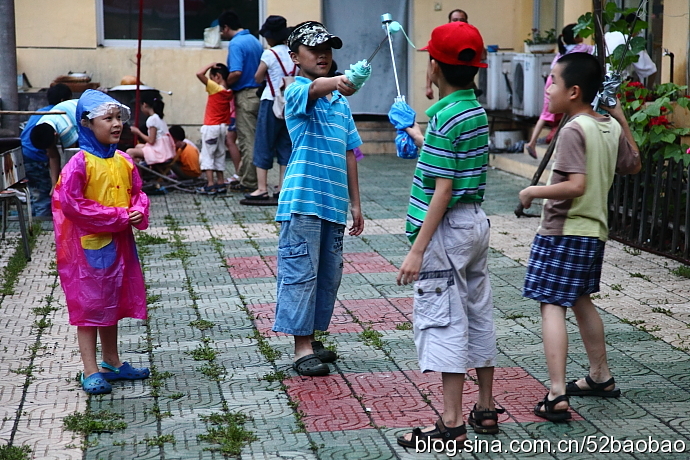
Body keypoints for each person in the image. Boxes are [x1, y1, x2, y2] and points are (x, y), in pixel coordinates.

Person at [395, 21, 503, 448]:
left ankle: (452, 423)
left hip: (446, 230)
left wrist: (417, 250)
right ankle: (486, 408)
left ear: (434, 67)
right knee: (478, 311)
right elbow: (454, 170)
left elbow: (442, 188)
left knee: (443, 321)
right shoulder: (473, 112)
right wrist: (418, 135)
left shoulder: (444, 118)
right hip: (474, 223)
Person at [518, 53, 641, 422]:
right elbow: (633, 163)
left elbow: (575, 185)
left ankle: (556, 394)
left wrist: (533, 191)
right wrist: (618, 114)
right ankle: (600, 377)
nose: (548, 88)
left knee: (551, 303)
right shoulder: (607, 127)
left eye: (553, 81)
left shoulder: (574, 129)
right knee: (580, 299)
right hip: (593, 233)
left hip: (564, 232)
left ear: (574, 91)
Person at [272, 21, 364, 377]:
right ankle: (301, 348)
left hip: (333, 204)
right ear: (295, 57)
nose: (323, 55)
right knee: (301, 273)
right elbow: (314, 88)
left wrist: (356, 204)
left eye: (328, 49)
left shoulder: (340, 104)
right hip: (303, 201)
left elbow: (349, 153)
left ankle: (310, 335)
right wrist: (338, 81)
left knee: (327, 275)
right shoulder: (295, 90)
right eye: (314, 50)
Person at [52, 89, 151, 395]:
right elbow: (72, 205)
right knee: (90, 308)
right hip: (88, 249)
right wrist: (121, 216)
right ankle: (90, 369)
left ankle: (111, 361)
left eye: (118, 117)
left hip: (119, 245)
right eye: (107, 118)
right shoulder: (79, 164)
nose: (116, 124)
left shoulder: (123, 160)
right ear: (87, 123)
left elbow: (138, 192)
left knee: (112, 302)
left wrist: (137, 209)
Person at [242, 15, 295, 206]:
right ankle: (283, 187)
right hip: (290, 104)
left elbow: (258, 77)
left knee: (263, 143)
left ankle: (262, 188)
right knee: (286, 145)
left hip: (270, 101)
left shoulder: (269, 54)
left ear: (271, 36)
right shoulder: (293, 53)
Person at [525, 24, 594, 159]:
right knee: (566, 117)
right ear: (576, 37)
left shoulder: (562, 51)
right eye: (581, 33)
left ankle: (532, 142)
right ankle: (557, 149)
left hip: (552, 82)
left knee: (545, 115)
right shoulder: (582, 49)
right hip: (563, 84)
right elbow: (596, 50)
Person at [219, 10, 263, 193]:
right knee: (255, 138)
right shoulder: (254, 40)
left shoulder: (236, 43)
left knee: (247, 140)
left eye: (221, 31)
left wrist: (224, 84)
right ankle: (246, 177)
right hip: (259, 93)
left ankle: (251, 182)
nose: (221, 34)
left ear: (226, 27)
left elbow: (236, 72)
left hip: (245, 95)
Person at [20, 83, 72, 217]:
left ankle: (32, 222)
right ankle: (41, 225)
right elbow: (53, 154)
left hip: (23, 155)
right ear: (63, 101)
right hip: (36, 158)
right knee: (43, 193)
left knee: (34, 192)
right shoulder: (59, 114)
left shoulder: (40, 111)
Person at [195, 62, 233, 195]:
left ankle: (210, 184)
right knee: (220, 154)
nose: (209, 80)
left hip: (211, 127)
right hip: (223, 127)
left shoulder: (215, 87)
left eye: (211, 77)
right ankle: (221, 182)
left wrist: (210, 64)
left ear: (217, 76)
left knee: (207, 155)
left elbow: (199, 74)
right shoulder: (229, 91)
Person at [126, 93, 176, 171]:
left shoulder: (152, 119)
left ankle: (136, 176)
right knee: (138, 147)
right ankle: (142, 172)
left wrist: (137, 132)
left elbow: (151, 141)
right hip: (164, 150)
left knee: (129, 152)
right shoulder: (159, 118)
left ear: (144, 105)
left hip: (160, 152)